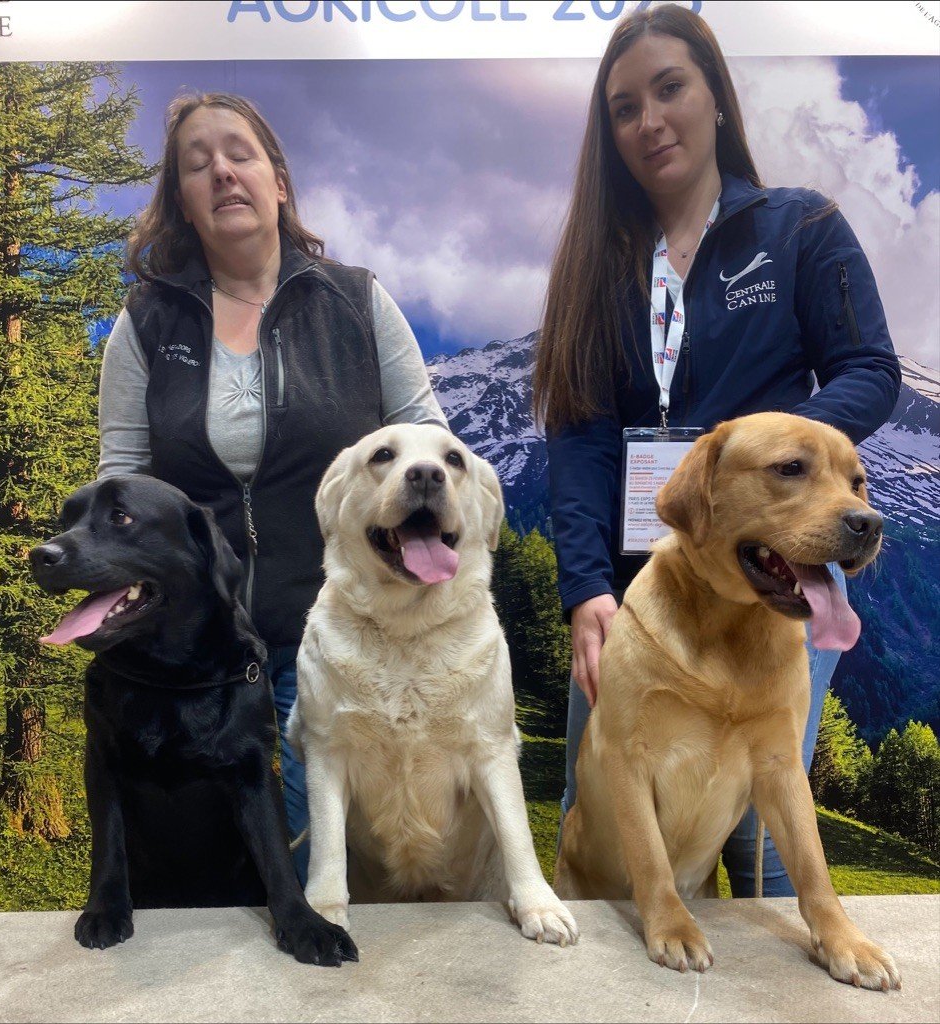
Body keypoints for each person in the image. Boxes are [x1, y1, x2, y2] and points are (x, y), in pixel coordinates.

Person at [533, 4, 900, 897]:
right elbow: (578, 436)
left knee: (764, 842)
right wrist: (586, 587)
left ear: (716, 100)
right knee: (610, 822)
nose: (649, 121)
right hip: (640, 586)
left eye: (670, 89)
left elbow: (869, 369)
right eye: (623, 107)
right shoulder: (595, 264)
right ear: (607, 133)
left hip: (778, 570)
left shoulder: (800, 228)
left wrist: (755, 450)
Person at [98, 92, 447, 885]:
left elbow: (431, 447)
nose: (221, 171)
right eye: (197, 163)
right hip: (197, 657)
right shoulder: (145, 325)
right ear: (181, 202)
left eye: (239, 153)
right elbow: (120, 488)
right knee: (212, 878)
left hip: (342, 636)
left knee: (305, 872)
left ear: (278, 180)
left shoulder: (356, 302)